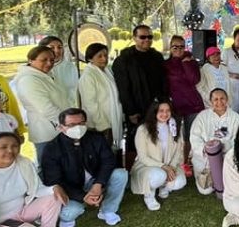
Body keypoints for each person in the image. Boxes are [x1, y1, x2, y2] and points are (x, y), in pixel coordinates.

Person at [41, 108, 128, 227]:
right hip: (70, 189)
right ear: (61, 127)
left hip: (94, 181)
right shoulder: (52, 148)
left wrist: (98, 184)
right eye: (71, 125)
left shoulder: (96, 138)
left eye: (81, 123)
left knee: (120, 174)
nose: (77, 128)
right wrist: (83, 196)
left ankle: (108, 210)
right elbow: (53, 180)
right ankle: (68, 217)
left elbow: (108, 161)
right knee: (71, 212)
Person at [112, 25, 168, 154]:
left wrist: (164, 103)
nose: (146, 40)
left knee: (157, 141)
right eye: (142, 37)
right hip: (136, 109)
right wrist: (130, 111)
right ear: (134, 38)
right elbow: (123, 88)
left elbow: (163, 82)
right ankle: (134, 171)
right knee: (136, 141)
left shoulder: (157, 57)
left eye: (149, 37)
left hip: (156, 107)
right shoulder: (123, 60)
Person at [15, 45, 71, 162]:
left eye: (52, 60)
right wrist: (68, 125)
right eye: (44, 60)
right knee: (46, 167)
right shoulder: (29, 80)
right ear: (31, 60)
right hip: (46, 131)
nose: (49, 63)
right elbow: (46, 108)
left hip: (59, 128)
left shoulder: (47, 75)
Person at [130, 100, 188, 211]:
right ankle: (149, 195)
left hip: (169, 165)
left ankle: (163, 187)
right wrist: (163, 166)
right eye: (161, 111)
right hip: (147, 166)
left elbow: (178, 151)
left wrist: (171, 167)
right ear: (154, 112)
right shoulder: (143, 129)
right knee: (158, 175)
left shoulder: (175, 126)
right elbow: (143, 157)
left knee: (180, 181)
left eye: (168, 111)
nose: (165, 114)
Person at [189, 89, 239, 196]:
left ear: (227, 99)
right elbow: (194, 137)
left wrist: (223, 145)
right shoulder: (202, 116)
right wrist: (207, 148)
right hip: (205, 157)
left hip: (226, 156)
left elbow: (238, 139)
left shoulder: (235, 117)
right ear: (210, 101)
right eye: (215, 99)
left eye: (222, 98)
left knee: (228, 186)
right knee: (205, 190)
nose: (219, 102)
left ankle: (225, 179)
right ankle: (210, 177)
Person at [78, 43, 124, 150]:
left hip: (111, 122)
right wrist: (103, 125)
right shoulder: (88, 76)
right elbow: (90, 104)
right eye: (99, 56)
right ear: (90, 58)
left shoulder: (107, 72)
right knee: (102, 156)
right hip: (99, 126)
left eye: (106, 55)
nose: (104, 59)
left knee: (111, 152)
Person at [164, 35, 205, 138]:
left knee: (192, 137)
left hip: (193, 104)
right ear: (170, 48)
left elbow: (194, 80)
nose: (178, 49)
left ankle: (188, 154)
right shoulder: (165, 65)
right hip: (174, 106)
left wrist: (186, 64)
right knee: (173, 136)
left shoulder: (191, 61)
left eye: (181, 47)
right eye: (175, 47)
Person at [38, 35, 79, 106]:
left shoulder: (70, 67)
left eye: (59, 47)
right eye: (52, 47)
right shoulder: (37, 68)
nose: (56, 51)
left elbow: (75, 89)